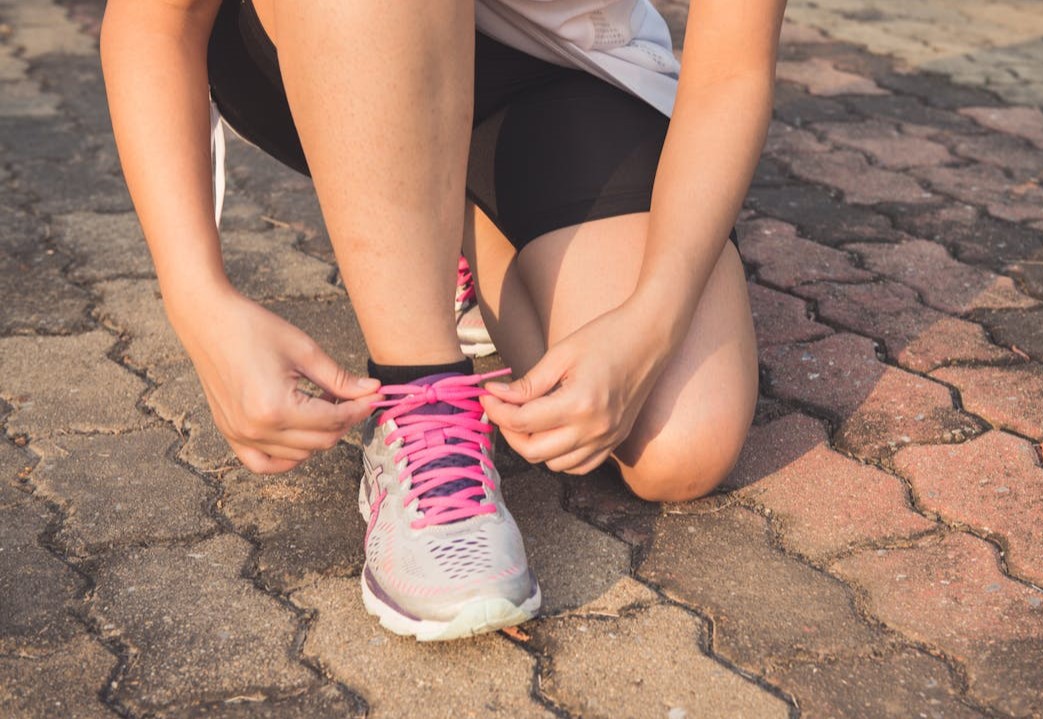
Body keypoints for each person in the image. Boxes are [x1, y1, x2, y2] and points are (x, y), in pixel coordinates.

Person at [100, 0, 784, 640]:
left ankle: (442, 220)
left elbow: (732, 69)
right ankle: (419, 400)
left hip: (560, 63)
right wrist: (197, 300)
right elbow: (155, 23)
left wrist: (650, 322)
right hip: (330, 30)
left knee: (678, 443)